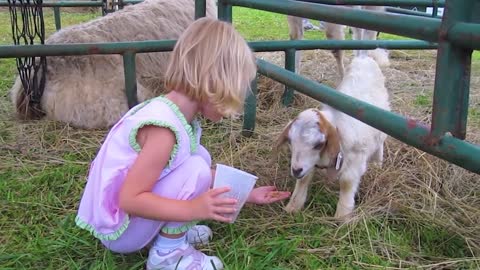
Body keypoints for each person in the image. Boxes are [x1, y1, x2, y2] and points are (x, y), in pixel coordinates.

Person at [75, 17, 291, 270]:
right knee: (196, 168)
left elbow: (176, 172)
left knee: (199, 158)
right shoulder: (163, 131)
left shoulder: (171, 113)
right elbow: (130, 200)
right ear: (214, 81)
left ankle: (166, 231)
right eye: (238, 87)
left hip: (129, 219)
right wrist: (191, 209)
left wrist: (248, 195)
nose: (240, 98)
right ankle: (167, 256)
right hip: (121, 232)